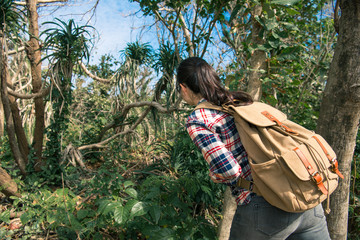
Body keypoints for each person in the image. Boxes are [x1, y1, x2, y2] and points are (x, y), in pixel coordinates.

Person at [176, 56, 331, 240]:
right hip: (305, 195)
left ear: (184, 87)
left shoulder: (198, 118)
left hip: (264, 208)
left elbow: (231, 171)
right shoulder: (240, 101)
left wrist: (214, 175)